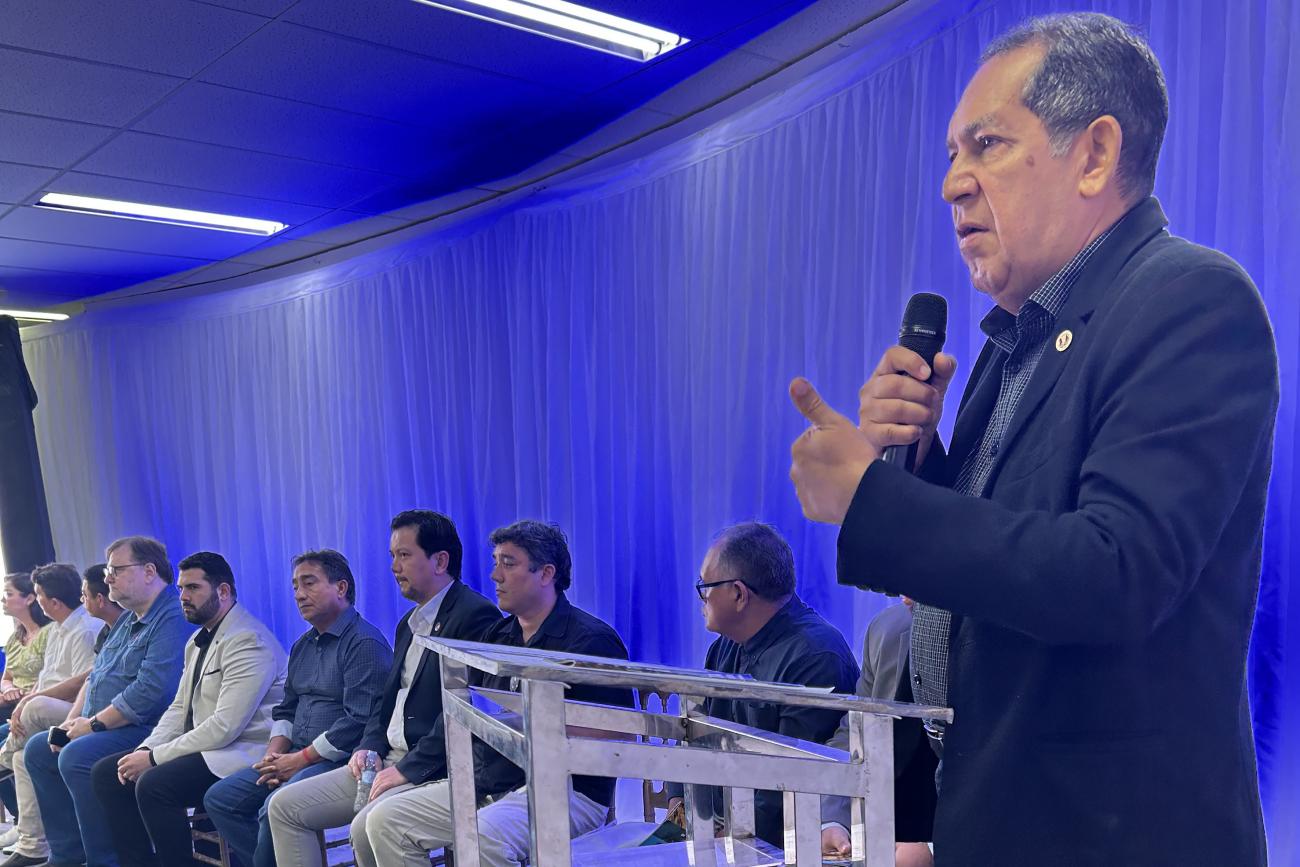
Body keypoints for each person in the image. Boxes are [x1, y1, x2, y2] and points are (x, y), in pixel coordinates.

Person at [787, 12, 1275, 866]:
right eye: (952, 154)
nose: (953, 184)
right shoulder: (1009, 346)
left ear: (1094, 154)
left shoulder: (1190, 299)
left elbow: (1115, 573)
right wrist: (913, 463)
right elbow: (989, 584)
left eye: (987, 145)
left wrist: (872, 500)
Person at [351, 519, 634, 867]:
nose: (495, 576)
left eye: (508, 564)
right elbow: (459, 706)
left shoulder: (591, 641)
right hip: (494, 779)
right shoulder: (498, 637)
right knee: (382, 821)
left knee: (483, 836)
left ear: (546, 574)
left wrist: (535, 728)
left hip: (568, 790)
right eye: (495, 562)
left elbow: (619, 734)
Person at [266, 510, 502, 867]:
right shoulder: (408, 623)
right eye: (392, 556)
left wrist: (406, 770)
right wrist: (369, 746)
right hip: (387, 757)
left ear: (440, 561)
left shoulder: (474, 615)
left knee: (367, 826)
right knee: (284, 807)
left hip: (433, 765)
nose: (394, 567)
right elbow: (385, 701)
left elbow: (467, 713)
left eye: (404, 555)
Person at [666, 522, 859, 849]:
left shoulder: (815, 656)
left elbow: (792, 784)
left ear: (739, 594)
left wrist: (716, 841)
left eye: (704, 586)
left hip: (777, 845)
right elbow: (693, 736)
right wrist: (679, 814)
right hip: (717, 834)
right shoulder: (725, 644)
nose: (701, 597)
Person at [88, 551, 286, 867]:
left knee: (155, 784)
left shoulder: (249, 640)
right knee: (110, 773)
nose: (183, 597)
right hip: (208, 746)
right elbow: (179, 708)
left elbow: (225, 726)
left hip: (240, 752)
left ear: (223, 591)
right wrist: (147, 749)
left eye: (193, 588)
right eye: (181, 588)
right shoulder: (196, 640)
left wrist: (154, 758)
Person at [203, 549, 392, 867]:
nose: (299, 594)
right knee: (220, 799)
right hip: (295, 754)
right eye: (295, 586)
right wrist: (274, 756)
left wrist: (300, 759)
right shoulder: (303, 645)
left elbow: (359, 721)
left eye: (309, 583)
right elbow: (286, 709)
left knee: (273, 806)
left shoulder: (363, 643)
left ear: (341, 588)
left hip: (343, 760)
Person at [20, 536, 192, 867]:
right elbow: (95, 676)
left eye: (116, 570)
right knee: (39, 749)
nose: (108, 577)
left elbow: (151, 692)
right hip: (109, 722)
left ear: (149, 571)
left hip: (150, 727)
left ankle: (106, 860)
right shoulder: (127, 618)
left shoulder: (171, 616)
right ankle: (68, 855)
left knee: (77, 755)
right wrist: (72, 721)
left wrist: (93, 725)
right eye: (108, 571)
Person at [0, 564, 104, 865]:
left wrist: (29, 701)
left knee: (35, 709)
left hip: (78, 712)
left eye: (39, 595)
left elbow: (82, 687)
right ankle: (33, 844)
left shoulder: (84, 630)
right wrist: (24, 700)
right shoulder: (58, 629)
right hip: (47, 709)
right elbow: (44, 679)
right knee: (23, 758)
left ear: (54, 602)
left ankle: (4, 755)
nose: (37, 600)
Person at [820, 600, 936, 867]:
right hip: (885, 835)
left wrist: (935, 851)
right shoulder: (885, 629)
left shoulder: (1004, 634)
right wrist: (831, 821)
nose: (905, 597)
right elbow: (854, 733)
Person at [0, 573, 53, 722]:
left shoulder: (50, 633)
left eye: (9, 594)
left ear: (29, 599)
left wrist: (20, 698)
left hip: (37, 705)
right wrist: (9, 690)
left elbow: (52, 676)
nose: (2, 599)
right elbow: (6, 678)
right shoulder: (15, 638)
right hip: (13, 705)